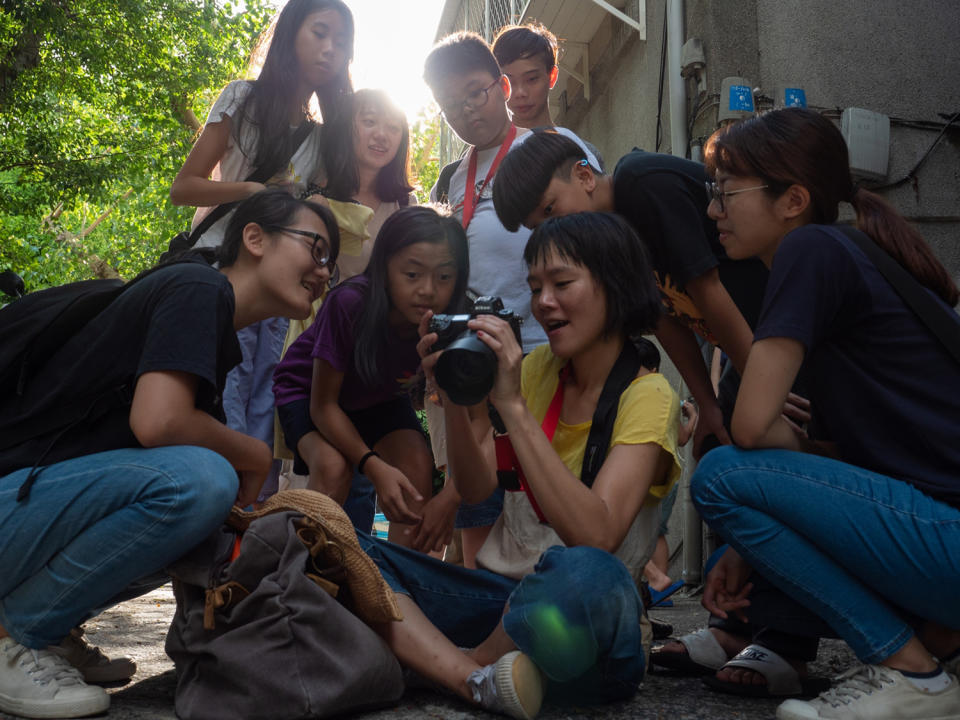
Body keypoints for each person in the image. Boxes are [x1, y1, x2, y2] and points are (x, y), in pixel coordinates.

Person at [0, 189, 339, 719]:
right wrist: (252, 453)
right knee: (202, 481)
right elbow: (158, 422)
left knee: (211, 522)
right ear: (254, 238)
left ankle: (51, 626)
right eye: (316, 249)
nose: (323, 272)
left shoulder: (207, 328)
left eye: (331, 264)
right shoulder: (199, 287)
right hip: (12, 507)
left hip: (25, 515)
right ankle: (14, 635)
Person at [689, 107, 960, 720]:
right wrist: (762, 518)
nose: (713, 212)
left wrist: (773, 485)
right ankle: (936, 640)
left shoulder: (811, 249)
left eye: (727, 193)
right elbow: (857, 462)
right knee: (734, 552)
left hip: (948, 540)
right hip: (939, 537)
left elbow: (752, 427)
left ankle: (912, 673)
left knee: (722, 475)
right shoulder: (852, 256)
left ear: (794, 200)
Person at [357, 212, 682, 719]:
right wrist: (455, 395)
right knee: (336, 541)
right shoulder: (536, 371)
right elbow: (476, 485)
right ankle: (481, 677)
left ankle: (455, 667)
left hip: (583, 624)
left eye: (562, 283)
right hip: (496, 603)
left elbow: (595, 536)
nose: (543, 302)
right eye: (535, 287)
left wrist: (511, 408)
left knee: (588, 572)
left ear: (614, 286)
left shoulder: (649, 394)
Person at [492, 129, 813, 458]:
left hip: (788, 337)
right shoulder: (607, 244)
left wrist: (760, 381)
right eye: (537, 227)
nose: (550, 229)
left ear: (584, 175)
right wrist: (707, 404)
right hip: (754, 349)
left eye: (549, 210)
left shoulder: (640, 183)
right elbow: (666, 319)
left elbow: (707, 288)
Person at [170, 0, 354, 502]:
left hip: (276, 293)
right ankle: (214, 522)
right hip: (221, 276)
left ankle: (249, 536)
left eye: (341, 41)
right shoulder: (241, 100)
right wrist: (250, 194)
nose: (331, 48)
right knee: (222, 398)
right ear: (292, 32)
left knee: (262, 409)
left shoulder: (322, 139)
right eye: (320, 32)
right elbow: (183, 187)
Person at [273, 206, 469, 551]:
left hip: (377, 397)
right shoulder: (350, 304)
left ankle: (399, 587)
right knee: (334, 468)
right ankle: (302, 579)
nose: (427, 290)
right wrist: (372, 465)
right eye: (412, 274)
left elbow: (469, 419)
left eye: (443, 277)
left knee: (416, 470)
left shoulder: (453, 322)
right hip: (309, 393)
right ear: (385, 269)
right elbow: (324, 406)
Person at [276, 87, 417, 524]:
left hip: (375, 357)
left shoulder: (405, 206)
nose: (381, 134)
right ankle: (300, 573)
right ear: (348, 126)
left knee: (388, 473)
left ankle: (381, 582)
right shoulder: (314, 196)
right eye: (369, 121)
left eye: (392, 127)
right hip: (322, 342)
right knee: (329, 473)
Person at [490, 22, 558, 129]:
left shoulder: (576, 145)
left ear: (552, 77)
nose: (520, 93)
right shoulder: (489, 145)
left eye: (531, 79)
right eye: (509, 82)